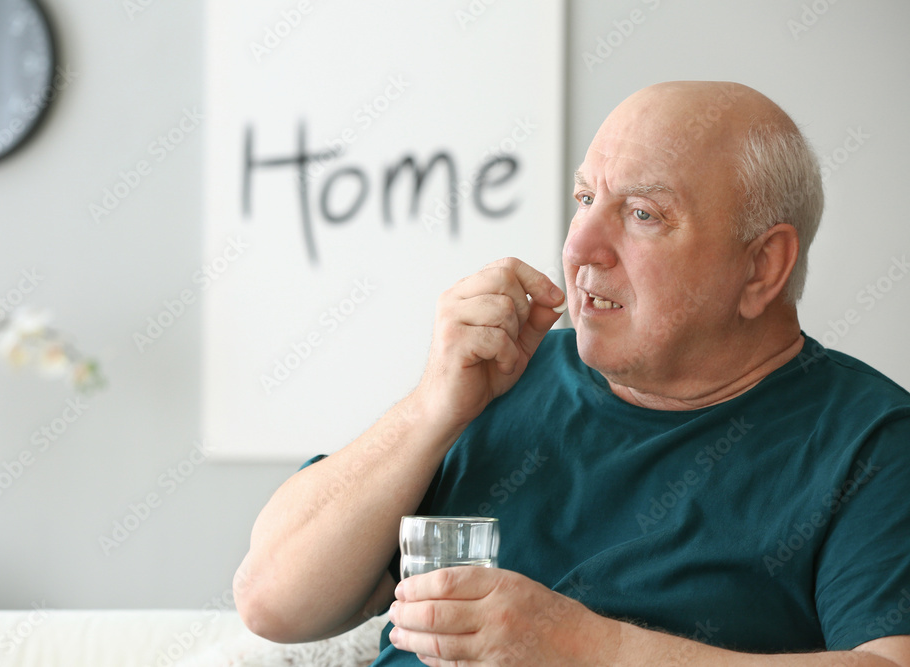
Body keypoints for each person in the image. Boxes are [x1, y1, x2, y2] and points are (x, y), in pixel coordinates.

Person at [233, 81, 910, 665]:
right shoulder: (501, 378)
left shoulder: (872, 441)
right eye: (584, 198)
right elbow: (270, 601)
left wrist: (587, 647)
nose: (579, 247)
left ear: (762, 266)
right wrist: (431, 409)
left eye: (642, 214)